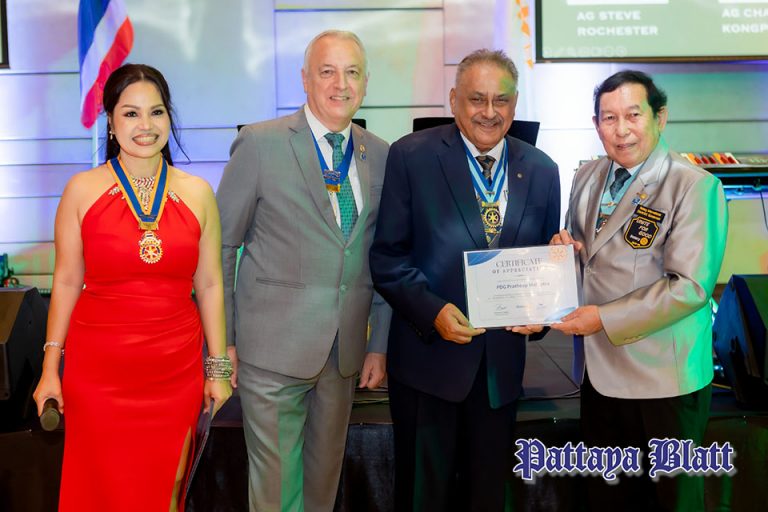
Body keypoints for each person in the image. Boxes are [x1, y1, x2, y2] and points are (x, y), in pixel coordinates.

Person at [32, 63, 233, 512]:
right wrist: (50, 368)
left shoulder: (199, 192)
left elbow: (210, 283)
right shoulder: (81, 190)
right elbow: (66, 280)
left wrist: (217, 369)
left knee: (164, 491)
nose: (146, 125)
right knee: (101, 489)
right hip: (97, 372)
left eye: (156, 112)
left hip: (175, 370)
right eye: (131, 113)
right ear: (110, 121)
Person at [370, 49, 560, 511]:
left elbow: (543, 263)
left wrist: (544, 311)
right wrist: (432, 312)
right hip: (427, 365)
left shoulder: (543, 170)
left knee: (487, 498)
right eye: (477, 99)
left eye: (501, 100)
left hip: (499, 374)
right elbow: (387, 257)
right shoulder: (410, 156)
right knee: (422, 498)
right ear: (454, 99)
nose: (489, 112)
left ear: (515, 104)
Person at [216, 30, 390, 512]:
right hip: (270, 351)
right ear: (305, 79)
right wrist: (223, 340)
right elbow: (221, 246)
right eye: (327, 71)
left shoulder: (380, 154)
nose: (340, 84)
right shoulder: (259, 143)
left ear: (366, 82)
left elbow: (383, 254)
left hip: (343, 356)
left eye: (352, 72)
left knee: (321, 488)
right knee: (275, 494)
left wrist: (378, 344)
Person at [550, 70, 728, 511]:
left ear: (659, 118)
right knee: (608, 499)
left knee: (670, 501)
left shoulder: (693, 185)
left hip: (662, 379)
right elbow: (588, 255)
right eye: (609, 118)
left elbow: (689, 287)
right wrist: (564, 251)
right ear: (596, 125)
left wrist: (603, 318)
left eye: (633, 115)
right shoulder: (587, 175)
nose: (621, 130)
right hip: (598, 374)